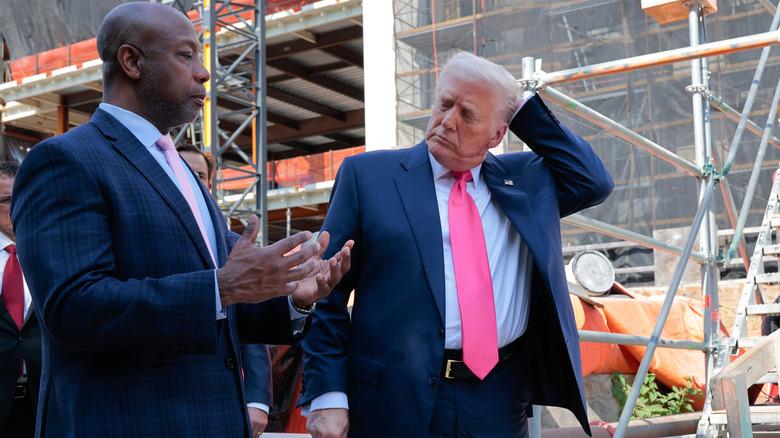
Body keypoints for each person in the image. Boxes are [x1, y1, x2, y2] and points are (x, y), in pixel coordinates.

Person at [10, 3, 352, 437]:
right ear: (132, 61)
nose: (205, 73)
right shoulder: (64, 160)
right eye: (186, 55)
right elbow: (72, 309)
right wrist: (224, 285)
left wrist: (291, 296)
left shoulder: (178, 170)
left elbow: (223, 308)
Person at [299, 51, 614, 437]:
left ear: (498, 134)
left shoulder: (526, 183)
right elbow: (324, 294)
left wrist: (519, 107)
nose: (448, 121)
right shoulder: (368, 177)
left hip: (499, 397)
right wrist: (328, 396)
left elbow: (593, 181)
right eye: (445, 104)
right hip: (392, 397)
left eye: (468, 115)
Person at [177, 143, 274, 436]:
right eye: (183, 171)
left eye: (199, 173)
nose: (192, 179)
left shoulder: (230, 243)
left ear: (209, 183)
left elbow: (251, 317)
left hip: (219, 390)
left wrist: (257, 398)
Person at [0, 161, 41, 438]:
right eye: (6, 199)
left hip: (43, 404)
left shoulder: (53, 255)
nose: (17, 205)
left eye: (24, 195)